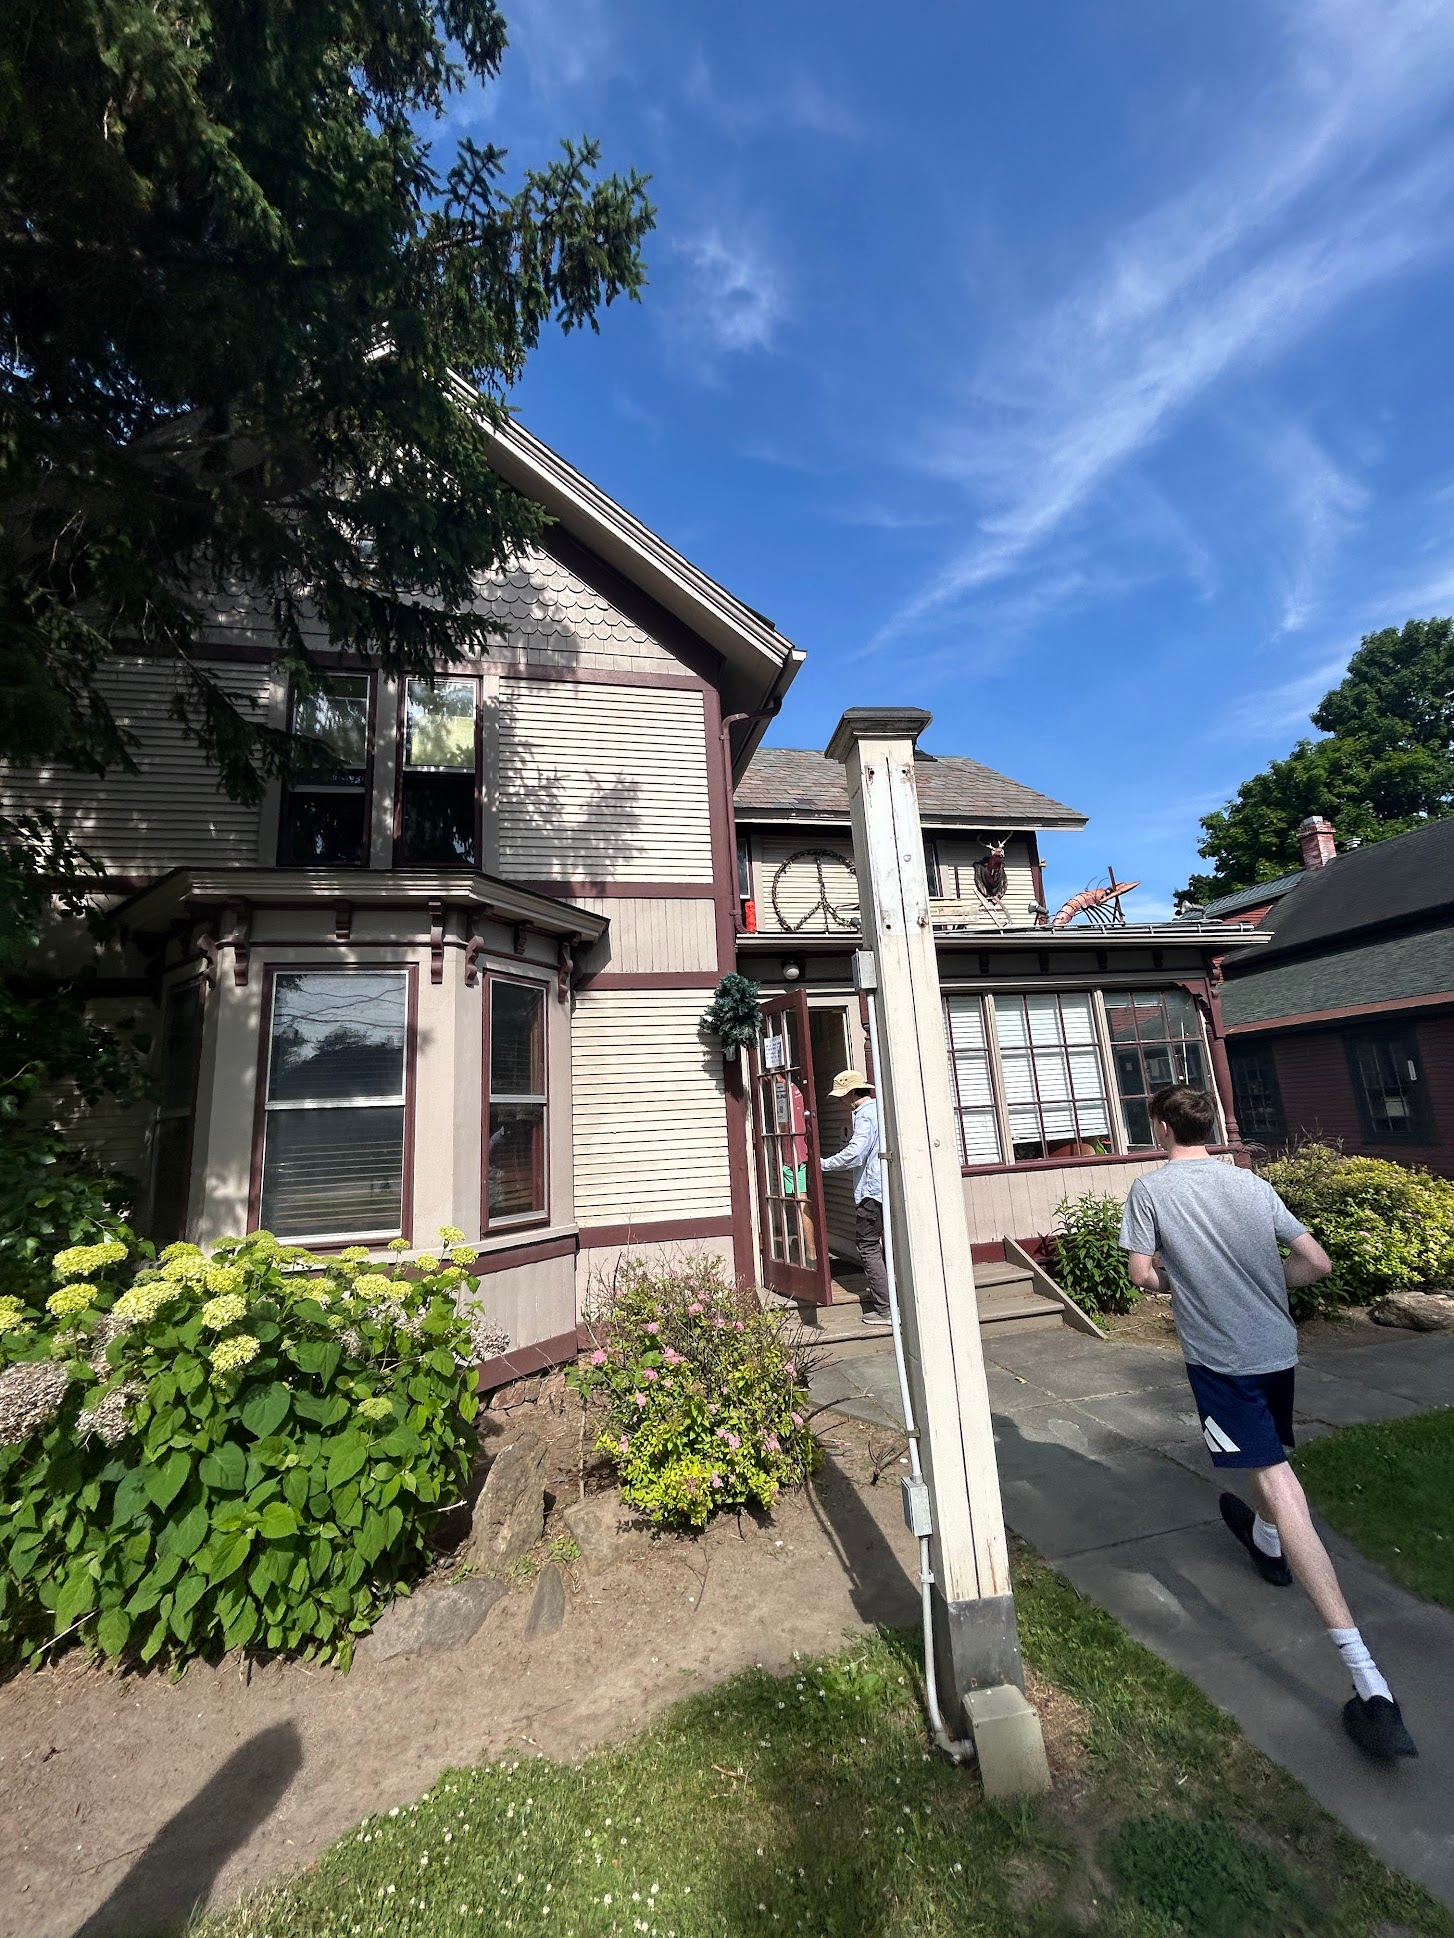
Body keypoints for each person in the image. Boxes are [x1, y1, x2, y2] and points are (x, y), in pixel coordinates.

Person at [1119, 1083, 1417, 1763]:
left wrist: (1183, 1281)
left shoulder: (1151, 1190)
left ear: (1162, 1126)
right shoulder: (1251, 1184)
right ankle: (1264, 1541)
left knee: (1281, 1486)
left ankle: (1368, 1683)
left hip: (1221, 1363)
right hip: (1276, 1351)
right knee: (1268, 1461)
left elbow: (1140, 1276)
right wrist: (1255, 1282)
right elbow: (1316, 1262)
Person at [821, 1069, 890, 1326]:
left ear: (851, 1094)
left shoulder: (865, 1115)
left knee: (868, 1245)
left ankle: (885, 1308)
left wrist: (823, 1164)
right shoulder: (880, 1109)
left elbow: (856, 1153)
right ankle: (889, 1294)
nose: (840, 1101)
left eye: (841, 1096)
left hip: (871, 1190)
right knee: (885, 1244)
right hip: (885, 1187)